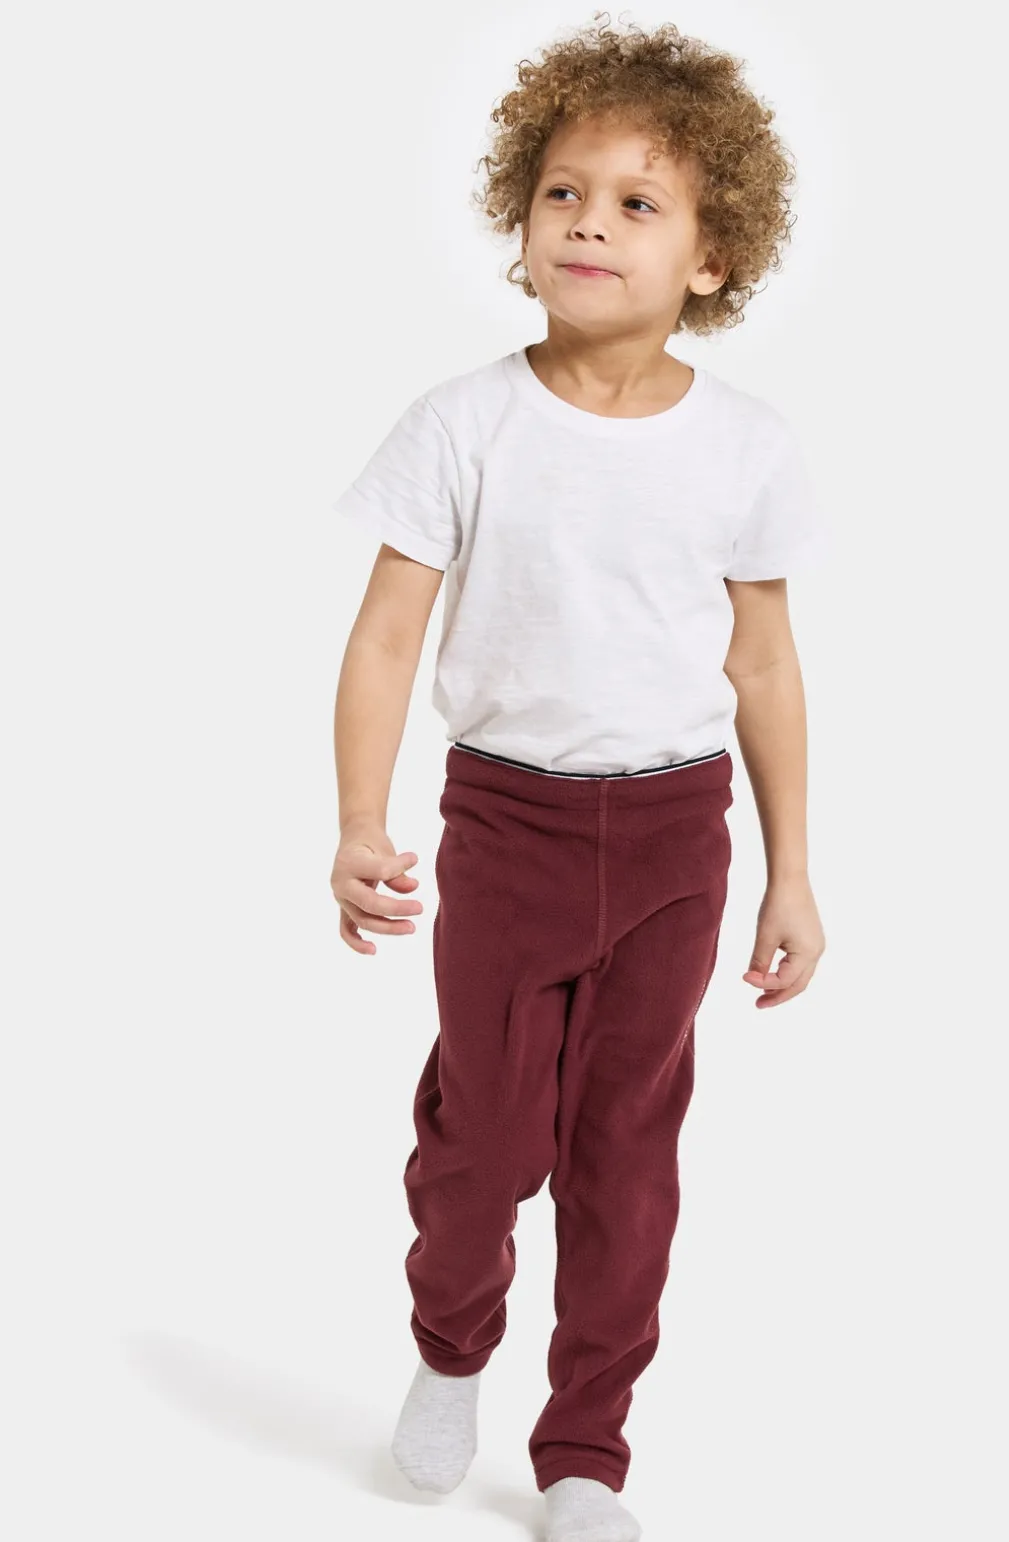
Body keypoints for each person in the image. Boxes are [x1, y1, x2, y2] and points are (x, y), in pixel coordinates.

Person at [329, 15, 828, 1541]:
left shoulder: (745, 447)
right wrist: (359, 822)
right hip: (508, 821)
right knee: (484, 1140)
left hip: (676, 835)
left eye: (636, 202)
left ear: (712, 258)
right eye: (563, 191)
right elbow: (386, 636)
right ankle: (449, 1344)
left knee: (626, 1151)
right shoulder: (464, 423)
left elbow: (764, 667)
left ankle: (585, 1448)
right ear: (520, 217)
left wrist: (792, 870)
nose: (589, 223)